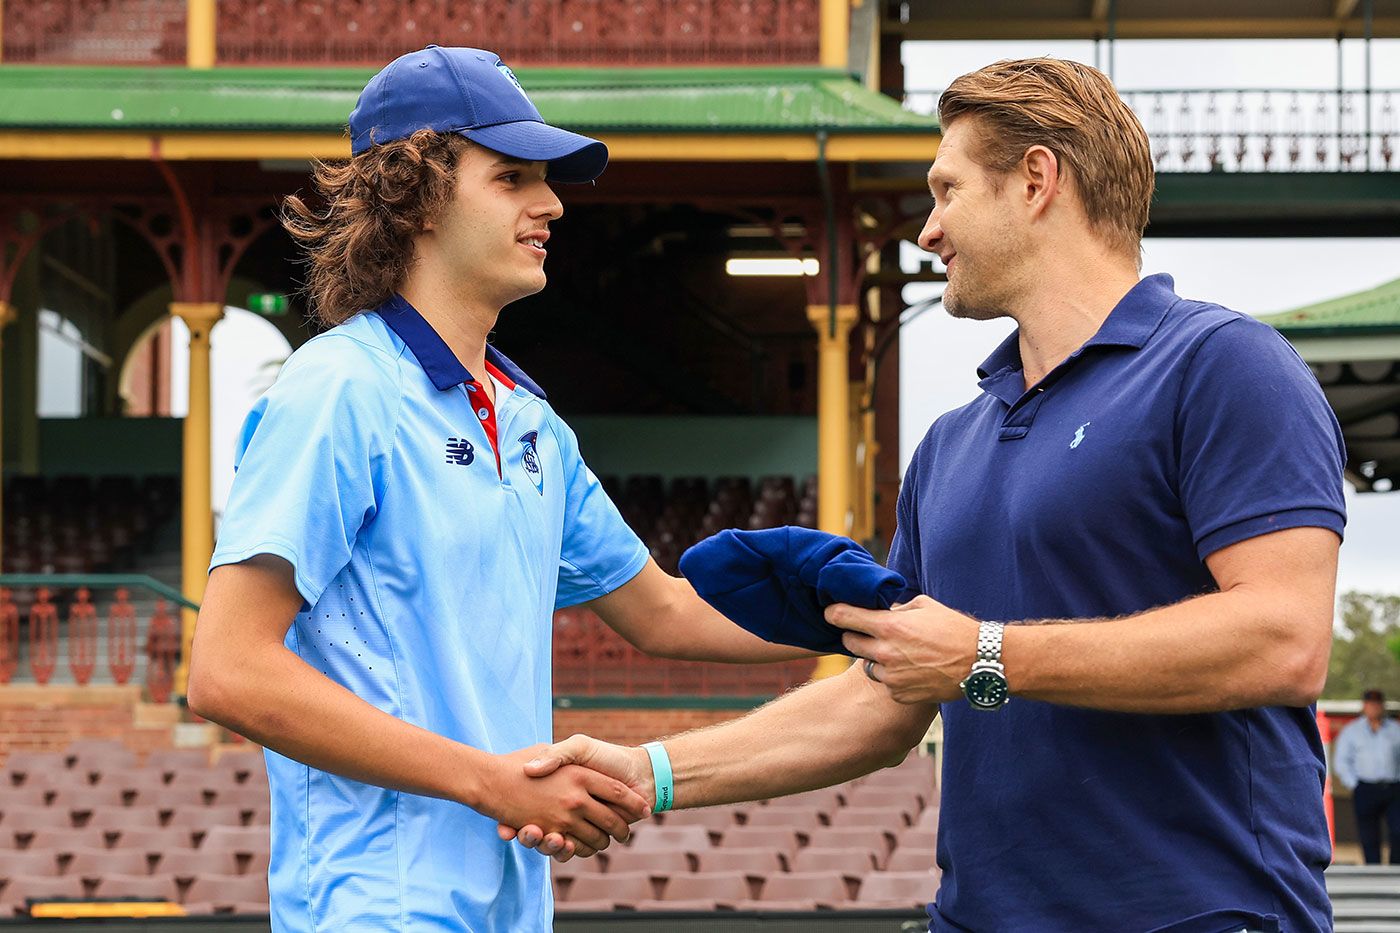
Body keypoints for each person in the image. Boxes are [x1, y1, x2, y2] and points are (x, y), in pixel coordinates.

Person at [503, 57, 1346, 932]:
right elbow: (887, 695)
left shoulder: (1223, 365)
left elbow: (1284, 641)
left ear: (1034, 180)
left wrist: (985, 655)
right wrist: (648, 773)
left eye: (945, 191)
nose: (928, 230)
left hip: (1201, 915)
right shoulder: (950, 444)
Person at [185, 45, 809, 931]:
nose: (550, 203)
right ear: (418, 196)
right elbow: (226, 670)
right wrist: (487, 781)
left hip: (513, 903)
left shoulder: (530, 420)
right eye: (511, 177)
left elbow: (666, 613)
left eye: (543, 180)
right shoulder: (338, 389)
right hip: (377, 905)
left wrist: (879, 621)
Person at [1335, 688, 1400, 864]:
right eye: (1370, 704)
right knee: (1369, 833)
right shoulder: (1352, 731)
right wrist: (1354, 784)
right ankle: (1374, 869)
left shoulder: (1395, 729)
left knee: (1397, 829)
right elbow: (1342, 760)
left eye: (1377, 704)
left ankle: (1396, 869)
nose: (1374, 708)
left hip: (1393, 788)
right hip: (1365, 787)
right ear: (1364, 706)